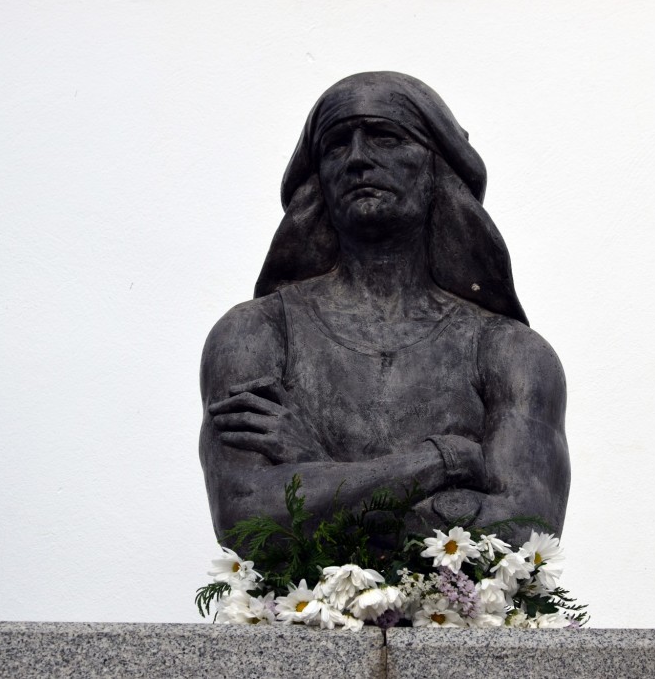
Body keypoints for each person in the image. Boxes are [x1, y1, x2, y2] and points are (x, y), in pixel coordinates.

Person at [199, 72, 569, 542]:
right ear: (318, 181)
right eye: (335, 145)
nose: (357, 158)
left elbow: (525, 525)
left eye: (386, 138)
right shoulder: (256, 333)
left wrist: (314, 471)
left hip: (457, 615)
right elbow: (247, 519)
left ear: (438, 167)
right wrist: (444, 461)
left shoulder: (511, 351)